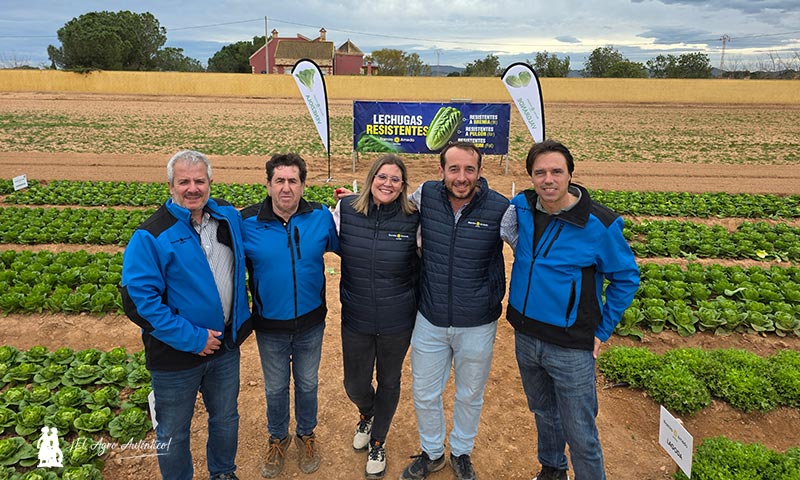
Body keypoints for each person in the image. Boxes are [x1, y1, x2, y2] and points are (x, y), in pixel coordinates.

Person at [506, 140, 640, 480]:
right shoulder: (522, 207)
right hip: (525, 334)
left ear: (570, 175)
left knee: (580, 430)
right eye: (540, 173)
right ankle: (552, 470)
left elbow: (626, 278)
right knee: (542, 411)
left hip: (571, 345)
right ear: (531, 178)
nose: (547, 179)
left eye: (556, 171)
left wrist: (602, 330)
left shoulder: (599, 224)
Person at [121, 150, 251, 480]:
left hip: (224, 346)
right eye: (184, 182)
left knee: (225, 418)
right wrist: (193, 339)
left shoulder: (227, 217)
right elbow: (139, 302)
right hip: (175, 354)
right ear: (170, 186)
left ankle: (223, 472)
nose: (192, 188)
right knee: (173, 432)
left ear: (210, 183)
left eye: (199, 181)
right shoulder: (151, 234)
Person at [400, 141, 516, 480]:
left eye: (469, 169)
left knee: (469, 394)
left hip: (478, 322)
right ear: (441, 171)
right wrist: (349, 204)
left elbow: (530, 247)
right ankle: (433, 452)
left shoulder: (500, 208)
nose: (461, 177)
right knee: (424, 392)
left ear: (480, 172)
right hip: (430, 317)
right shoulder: (424, 196)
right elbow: (389, 208)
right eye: (454, 169)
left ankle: (461, 451)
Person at [241, 153, 339, 478]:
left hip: (312, 322)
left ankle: (306, 435)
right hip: (270, 327)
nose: (286, 188)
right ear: (267, 184)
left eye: (292, 181)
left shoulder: (321, 218)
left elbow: (350, 246)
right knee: (275, 387)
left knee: (308, 384)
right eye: (279, 181)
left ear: (303, 185)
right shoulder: (246, 223)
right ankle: (278, 437)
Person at [333, 154, 420, 479]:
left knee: (389, 380)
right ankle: (368, 414)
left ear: (403, 186)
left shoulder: (413, 218)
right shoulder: (347, 210)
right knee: (354, 382)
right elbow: (321, 235)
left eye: (395, 179)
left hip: (398, 319)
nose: (388, 183)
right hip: (357, 316)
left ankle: (378, 440)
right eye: (382, 177)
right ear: (371, 179)